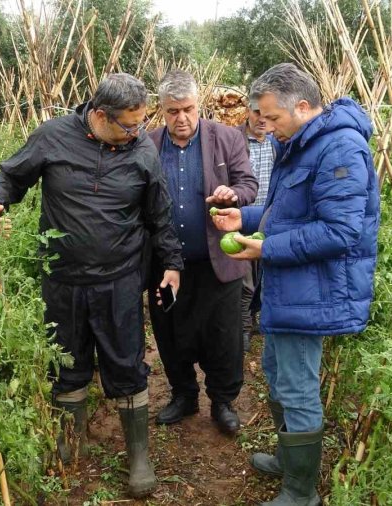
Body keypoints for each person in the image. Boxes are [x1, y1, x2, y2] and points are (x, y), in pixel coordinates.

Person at [0, 74, 182, 499]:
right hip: (63, 279)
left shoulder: (142, 150)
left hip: (120, 279)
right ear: (98, 115)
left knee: (126, 362)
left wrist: (172, 265)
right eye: (128, 125)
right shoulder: (53, 137)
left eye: (141, 123)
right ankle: (73, 440)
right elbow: (13, 176)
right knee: (66, 360)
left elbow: (159, 215)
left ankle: (138, 456)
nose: (136, 133)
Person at [213, 63, 380, 505]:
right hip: (292, 286)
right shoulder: (303, 144)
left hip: (315, 290)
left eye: (272, 118)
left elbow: (340, 232)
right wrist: (243, 218)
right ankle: (291, 462)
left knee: (297, 387)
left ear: (302, 107)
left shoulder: (339, 149)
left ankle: (301, 493)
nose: (264, 128)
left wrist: (266, 249)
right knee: (277, 374)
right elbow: (286, 210)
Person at [146, 69, 257, 436]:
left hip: (217, 261)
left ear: (199, 105)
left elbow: (248, 184)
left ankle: (222, 401)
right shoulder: (148, 145)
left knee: (222, 335)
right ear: (161, 110)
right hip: (166, 264)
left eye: (188, 109)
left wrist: (232, 195)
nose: (181, 118)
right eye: (173, 111)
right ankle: (183, 395)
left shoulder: (225, 139)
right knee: (171, 331)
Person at [237, 99, 276, 353]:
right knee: (245, 281)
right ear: (247, 111)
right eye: (256, 112)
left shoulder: (278, 142)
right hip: (241, 220)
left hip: (270, 220)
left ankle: (255, 318)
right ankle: (242, 329)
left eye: (266, 114)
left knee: (264, 276)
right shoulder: (234, 140)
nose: (261, 119)